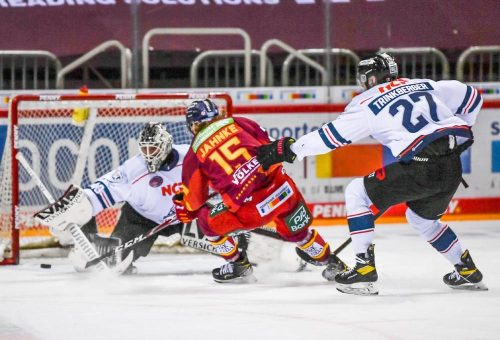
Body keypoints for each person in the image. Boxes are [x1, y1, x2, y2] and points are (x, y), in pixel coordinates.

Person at [257, 52, 487, 295]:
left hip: (423, 165)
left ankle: (363, 269)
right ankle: (467, 270)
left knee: (358, 192)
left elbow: (329, 138)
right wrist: (447, 131)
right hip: (452, 165)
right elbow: (472, 97)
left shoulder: (367, 102)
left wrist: (290, 150)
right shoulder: (424, 84)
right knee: (423, 220)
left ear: (369, 78)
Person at [173, 99, 345, 283]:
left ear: (193, 125)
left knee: (205, 221)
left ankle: (237, 264)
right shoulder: (240, 122)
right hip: (284, 190)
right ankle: (333, 263)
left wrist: (185, 209)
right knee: (299, 233)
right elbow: (270, 149)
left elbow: (194, 202)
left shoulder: (195, 152)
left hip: (250, 210)